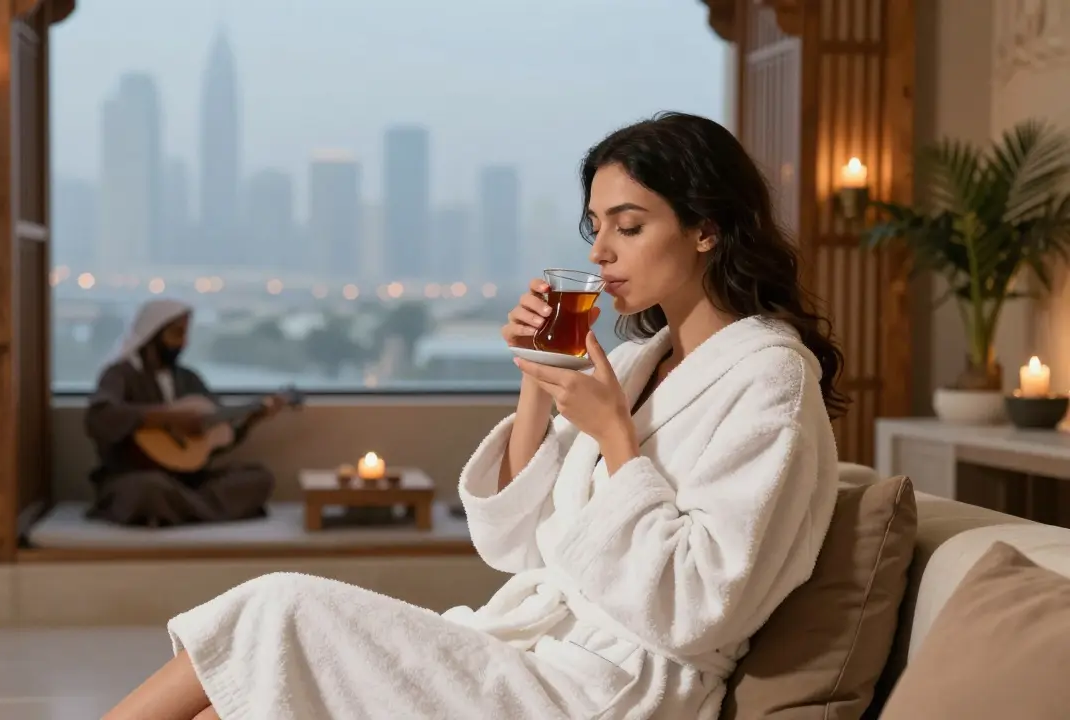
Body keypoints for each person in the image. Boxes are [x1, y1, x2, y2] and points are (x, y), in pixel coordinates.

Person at [104, 112, 845, 720]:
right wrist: (538, 379)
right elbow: (512, 542)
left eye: (628, 226)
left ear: (705, 229)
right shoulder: (636, 364)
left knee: (277, 609)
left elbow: (702, 605)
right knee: (231, 702)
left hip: (618, 692)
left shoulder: (770, 380)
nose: (601, 251)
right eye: (594, 226)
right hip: (537, 653)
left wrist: (615, 435)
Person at [85, 298, 282, 527]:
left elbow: (217, 438)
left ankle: (175, 511)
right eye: (177, 334)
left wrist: (252, 418)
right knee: (149, 490)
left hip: (188, 481)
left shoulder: (189, 379)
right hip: (132, 476)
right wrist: (168, 418)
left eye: (186, 334)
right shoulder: (119, 374)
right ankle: (196, 510)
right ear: (153, 335)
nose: (184, 342)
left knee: (259, 478)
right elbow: (99, 416)